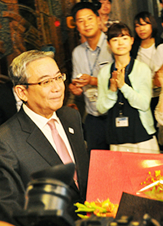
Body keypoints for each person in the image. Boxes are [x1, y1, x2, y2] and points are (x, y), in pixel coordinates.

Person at [0, 50, 89, 226]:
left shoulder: (71, 116)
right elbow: (11, 216)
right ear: (22, 92)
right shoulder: (3, 142)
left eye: (59, 77)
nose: (57, 87)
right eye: (46, 82)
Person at [97, 23, 159, 153]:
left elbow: (143, 104)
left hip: (142, 135)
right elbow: (101, 108)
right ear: (108, 44)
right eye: (115, 39)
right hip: (116, 136)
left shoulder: (142, 69)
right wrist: (112, 91)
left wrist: (123, 86)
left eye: (124, 38)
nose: (120, 43)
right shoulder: (104, 72)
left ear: (132, 41)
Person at [69, 2, 113, 153]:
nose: (86, 24)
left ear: (98, 20)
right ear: (76, 25)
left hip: (115, 114)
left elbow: (123, 79)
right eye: (81, 21)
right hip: (93, 116)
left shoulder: (113, 44)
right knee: (97, 163)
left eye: (89, 19)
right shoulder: (77, 53)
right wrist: (75, 88)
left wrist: (93, 80)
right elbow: (78, 85)